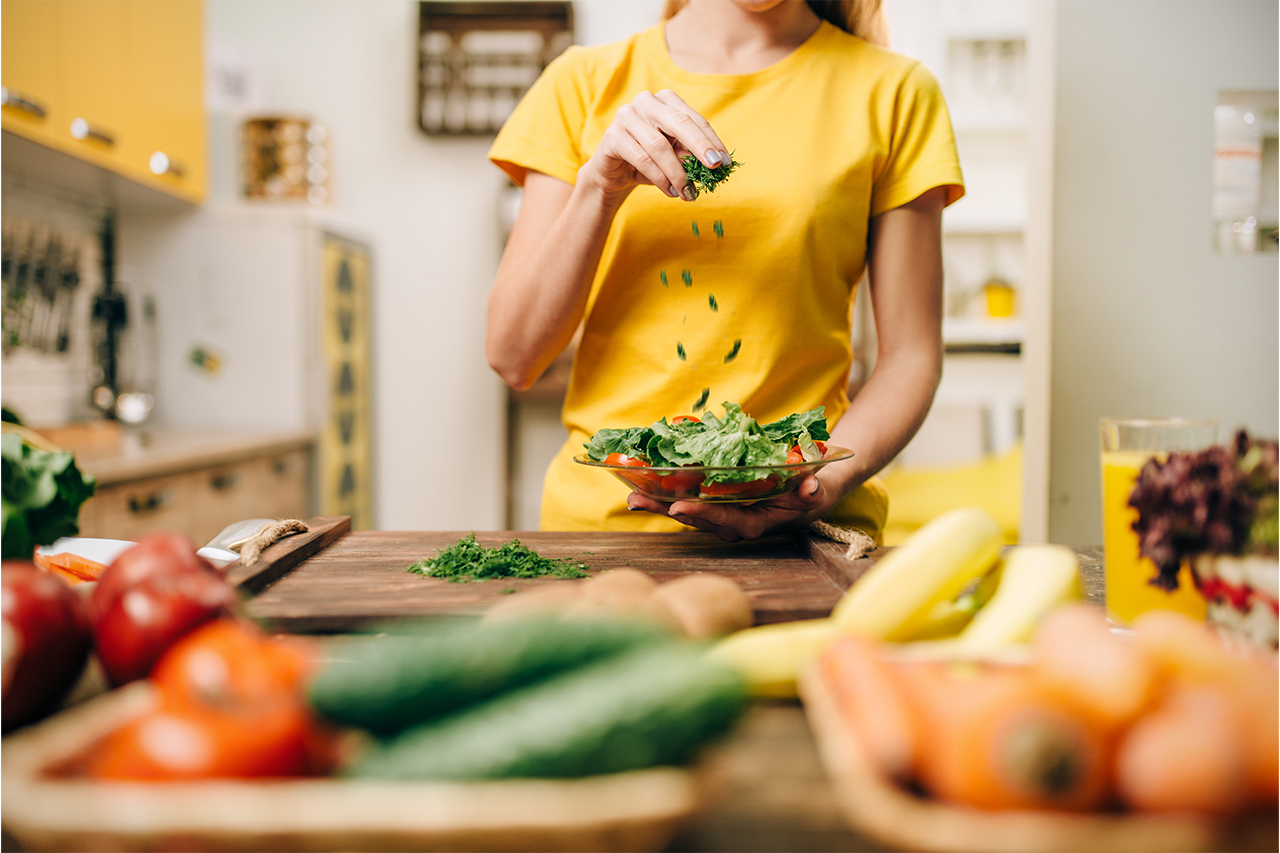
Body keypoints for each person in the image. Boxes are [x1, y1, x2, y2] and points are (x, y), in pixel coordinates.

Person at [486, 0, 963, 542]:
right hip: (603, 534)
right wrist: (599, 190)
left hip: (804, 534)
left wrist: (820, 484)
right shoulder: (581, 83)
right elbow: (513, 355)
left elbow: (910, 359)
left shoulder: (895, 91)